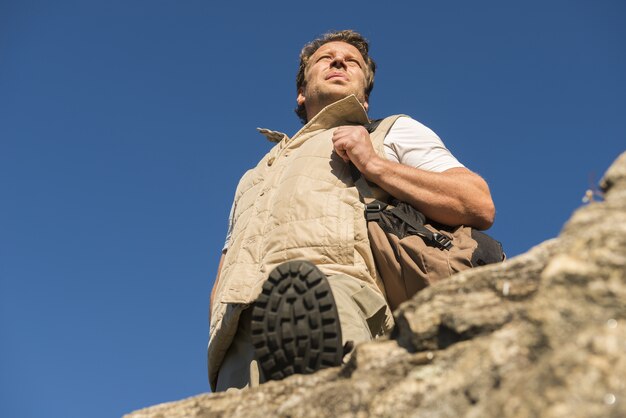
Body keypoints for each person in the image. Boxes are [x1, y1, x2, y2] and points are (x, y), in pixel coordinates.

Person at [208, 30, 495, 392]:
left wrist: (374, 163)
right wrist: (217, 342)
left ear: (365, 97)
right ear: (301, 91)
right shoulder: (254, 175)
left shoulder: (390, 131)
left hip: (336, 301)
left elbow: (476, 201)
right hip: (236, 336)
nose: (340, 61)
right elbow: (224, 266)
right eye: (325, 58)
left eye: (353, 62)